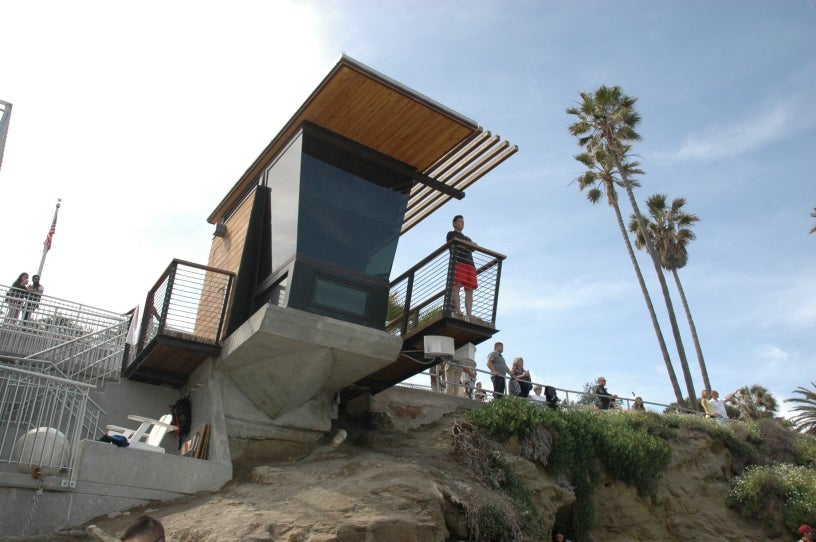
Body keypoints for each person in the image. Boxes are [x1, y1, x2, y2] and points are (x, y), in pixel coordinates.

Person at [446, 215, 477, 316]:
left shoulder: (466, 237)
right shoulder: (450, 234)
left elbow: (474, 246)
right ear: (454, 223)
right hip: (459, 262)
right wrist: (467, 245)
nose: (462, 223)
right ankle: (458, 311)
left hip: (470, 264)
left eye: (463, 222)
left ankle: (469, 314)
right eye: (460, 221)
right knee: (457, 286)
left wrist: (466, 245)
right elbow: (456, 244)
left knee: (470, 289)